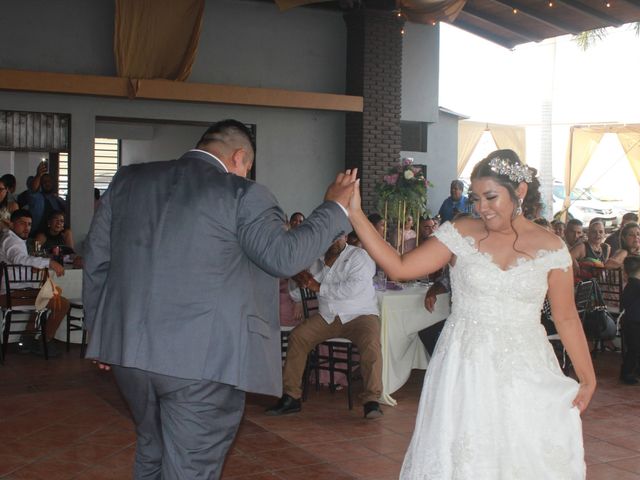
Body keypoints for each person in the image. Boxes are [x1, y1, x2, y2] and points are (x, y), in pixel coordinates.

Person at [83, 119, 356, 480]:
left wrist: (98, 336)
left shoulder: (129, 180)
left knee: (152, 449)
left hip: (128, 353)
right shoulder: (242, 193)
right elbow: (284, 257)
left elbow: (97, 260)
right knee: (190, 468)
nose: (245, 173)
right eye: (246, 166)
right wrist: (334, 208)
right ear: (239, 156)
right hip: (200, 362)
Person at [346, 149, 595, 478]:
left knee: (523, 454)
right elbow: (400, 267)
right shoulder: (461, 232)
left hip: (526, 366)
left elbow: (565, 318)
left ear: (519, 192)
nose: (481, 207)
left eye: (491, 197)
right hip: (465, 363)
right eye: (476, 198)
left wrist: (588, 378)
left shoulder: (551, 248)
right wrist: (355, 213)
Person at [266, 235, 383, 419]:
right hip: (328, 317)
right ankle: (291, 396)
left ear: (345, 237)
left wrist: (317, 286)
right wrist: (298, 278)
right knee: (298, 336)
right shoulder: (317, 260)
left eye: (339, 236)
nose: (335, 240)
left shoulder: (359, 256)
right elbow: (296, 293)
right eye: (331, 236)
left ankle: (372, 400)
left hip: (360, 315)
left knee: (371, 343)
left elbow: (352, 288)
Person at [0, 209, 67, 356]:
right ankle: (44, 342)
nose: (27, 228)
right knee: (62, 304)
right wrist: (49, 262)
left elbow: (18, 264)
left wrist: (34, 268)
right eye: (22, 223)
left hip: (16, 293)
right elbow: (19, 259)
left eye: (29, 224)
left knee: (42, 299)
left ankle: (28, 340)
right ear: (11, 224)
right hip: (13, 295)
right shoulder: (12, 241)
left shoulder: (13, 239)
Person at [28, 163, 67, 236]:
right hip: (39, 231)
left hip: (56, 231)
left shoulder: (57, 199)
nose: (47, 183)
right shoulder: (37, 197)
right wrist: (38, 175)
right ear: (41, 184)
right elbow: (34, 189)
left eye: (49, 181)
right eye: (44, 182)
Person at [619, 255, 640, 385]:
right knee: (633, 349)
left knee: (634, 349)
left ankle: (634, 370)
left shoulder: (631, 285)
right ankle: (626, 373)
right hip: (634, 323)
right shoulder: (636, 285)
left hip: (631, 322)